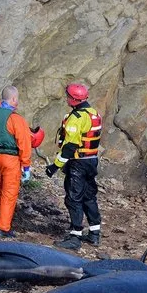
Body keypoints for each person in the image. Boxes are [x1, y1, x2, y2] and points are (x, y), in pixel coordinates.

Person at [46, 83, 102, 250]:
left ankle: (75, 235)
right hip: (91, 160)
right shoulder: (94, 113)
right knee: (89, 196)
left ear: (73, 99)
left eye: (68, 96)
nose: (66, 99)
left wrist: (54, 167)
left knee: (73, 198)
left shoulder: (76, 118)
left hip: (78, 163)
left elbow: (70, 147)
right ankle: (94, 233)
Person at [0, 85, 44, 237]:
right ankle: (3, 227)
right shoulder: (15, 119)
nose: (17, 102)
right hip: (10, 159)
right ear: (13, 99)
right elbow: (24, 144)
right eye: (16, 99)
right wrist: (26, 167)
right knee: (9, 192)